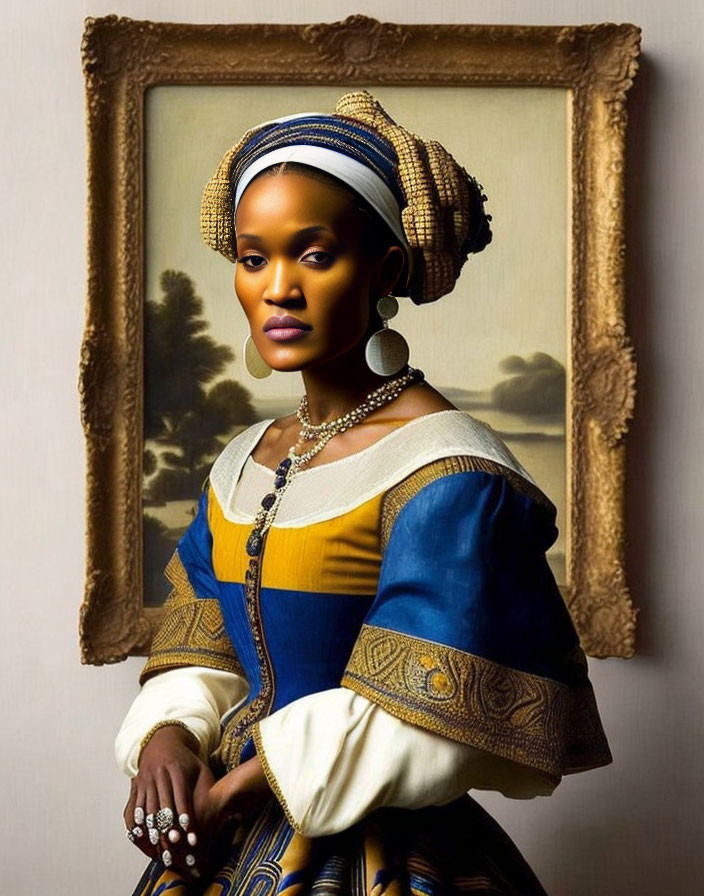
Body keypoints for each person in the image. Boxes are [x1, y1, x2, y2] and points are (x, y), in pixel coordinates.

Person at [116, 90, 611, 896]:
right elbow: (200, 641)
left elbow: (428, 707)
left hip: (389, 853)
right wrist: (168, 742)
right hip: (226, 844)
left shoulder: (451, 472)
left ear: (382, 271)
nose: (279, 288)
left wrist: (235, 789)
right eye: (254, 258)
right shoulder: (243, 461)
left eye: (313, 254)